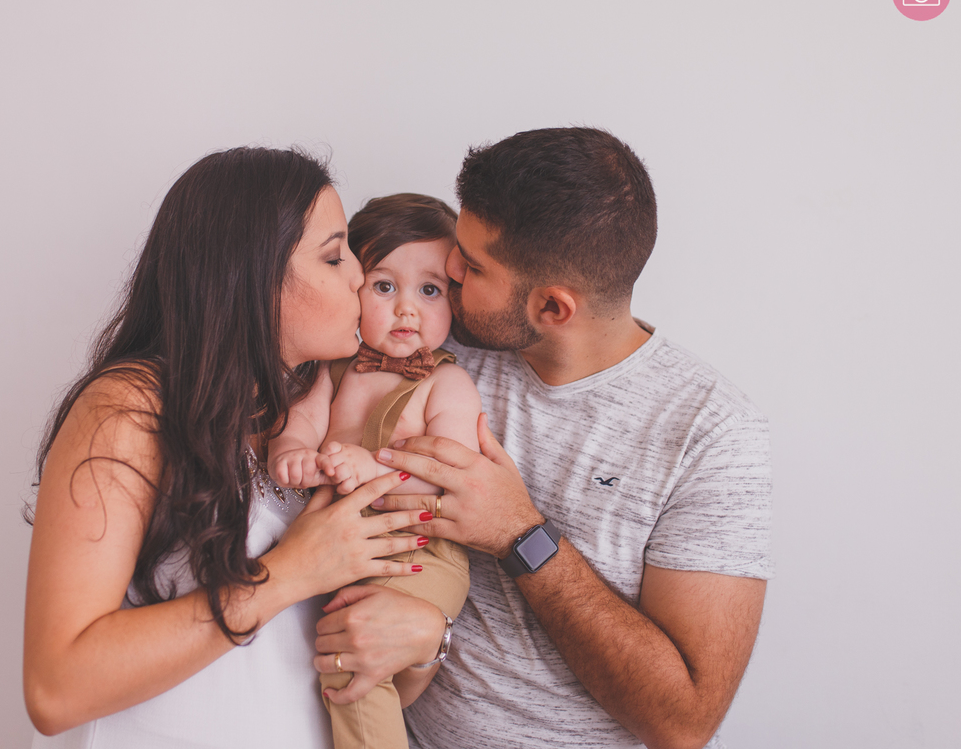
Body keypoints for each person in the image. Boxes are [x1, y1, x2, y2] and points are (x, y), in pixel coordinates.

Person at [319, 128, 774, 748]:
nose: (446, 272)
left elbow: (683, 721)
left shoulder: (712, 435)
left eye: (471, 267)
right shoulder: (429, 344)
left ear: (552, 309)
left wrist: (520, 535)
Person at [22, 147, 435, 749]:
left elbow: (348, 685)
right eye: (334, 255)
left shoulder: (313, 417)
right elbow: (56, 690)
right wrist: (291, 572)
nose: (357, 275)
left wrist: (423, 645)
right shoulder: (132, 409)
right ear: (251, 274)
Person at [266, 194, 481, 749]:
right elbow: (300, 423)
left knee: (348, 661)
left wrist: (369, 468)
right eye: (385, 287)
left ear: (453, 301)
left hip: (419, 552)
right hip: (345, 547)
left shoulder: (445, 382)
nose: (406, 309)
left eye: (429, 290)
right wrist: (292, 454)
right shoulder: (334, 369)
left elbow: (449, 476)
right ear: (354, 287)